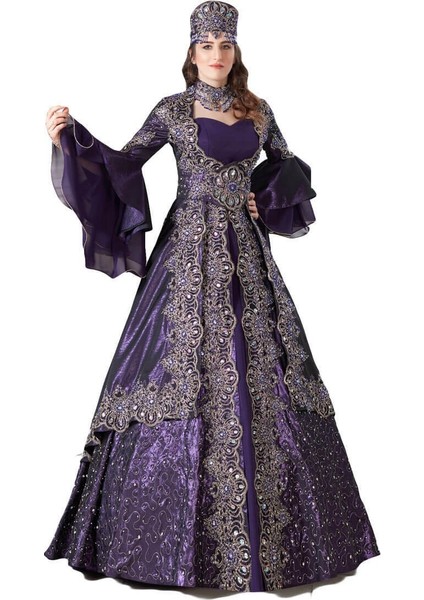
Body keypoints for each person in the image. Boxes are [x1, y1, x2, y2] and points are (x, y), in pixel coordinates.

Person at [43, 1, 380, 593]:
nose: (217, 54)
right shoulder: (172, 111)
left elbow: (290, 167)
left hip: (247, 256)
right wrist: (70, 140)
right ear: (192, 53)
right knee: (177, 367)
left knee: (266, 364)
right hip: (186, 257)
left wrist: (264, 200)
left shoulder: (259, 110)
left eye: (225, 45)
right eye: (207, 45)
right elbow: (123, 165)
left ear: (235, 51)